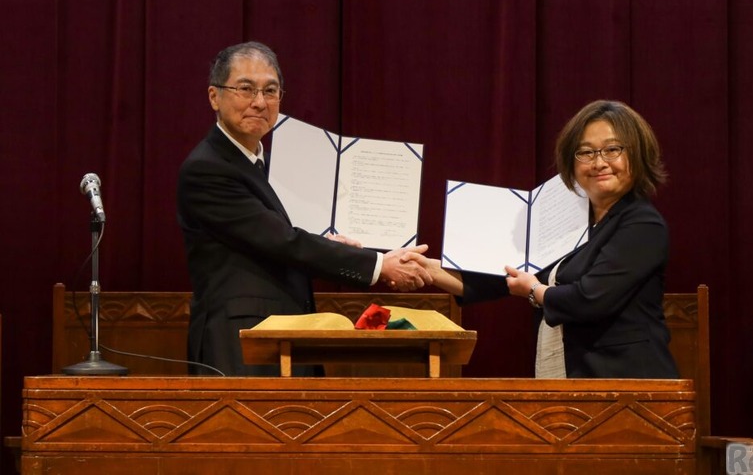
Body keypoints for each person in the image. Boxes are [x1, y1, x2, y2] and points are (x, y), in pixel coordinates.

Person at [177, 41, 432, 376]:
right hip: (241, 345)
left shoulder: (261, 164)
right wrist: (379, 264)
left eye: (271, 91)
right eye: (245, 89)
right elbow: (283, 242)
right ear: (214, 96)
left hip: (282, 337)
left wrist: (332, 246)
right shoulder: (208, 168)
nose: (259, 102)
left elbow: (274, 241)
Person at [421, 100, 679, 378]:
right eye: (585, 152)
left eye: (613, 149)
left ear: (637, 154)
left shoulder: (641, 223)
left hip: (628, 385)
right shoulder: (571, 221)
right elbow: (499, 278)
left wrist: (535, 291)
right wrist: (424, 268)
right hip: (576, 380)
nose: (599, 162)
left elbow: (590, 299)